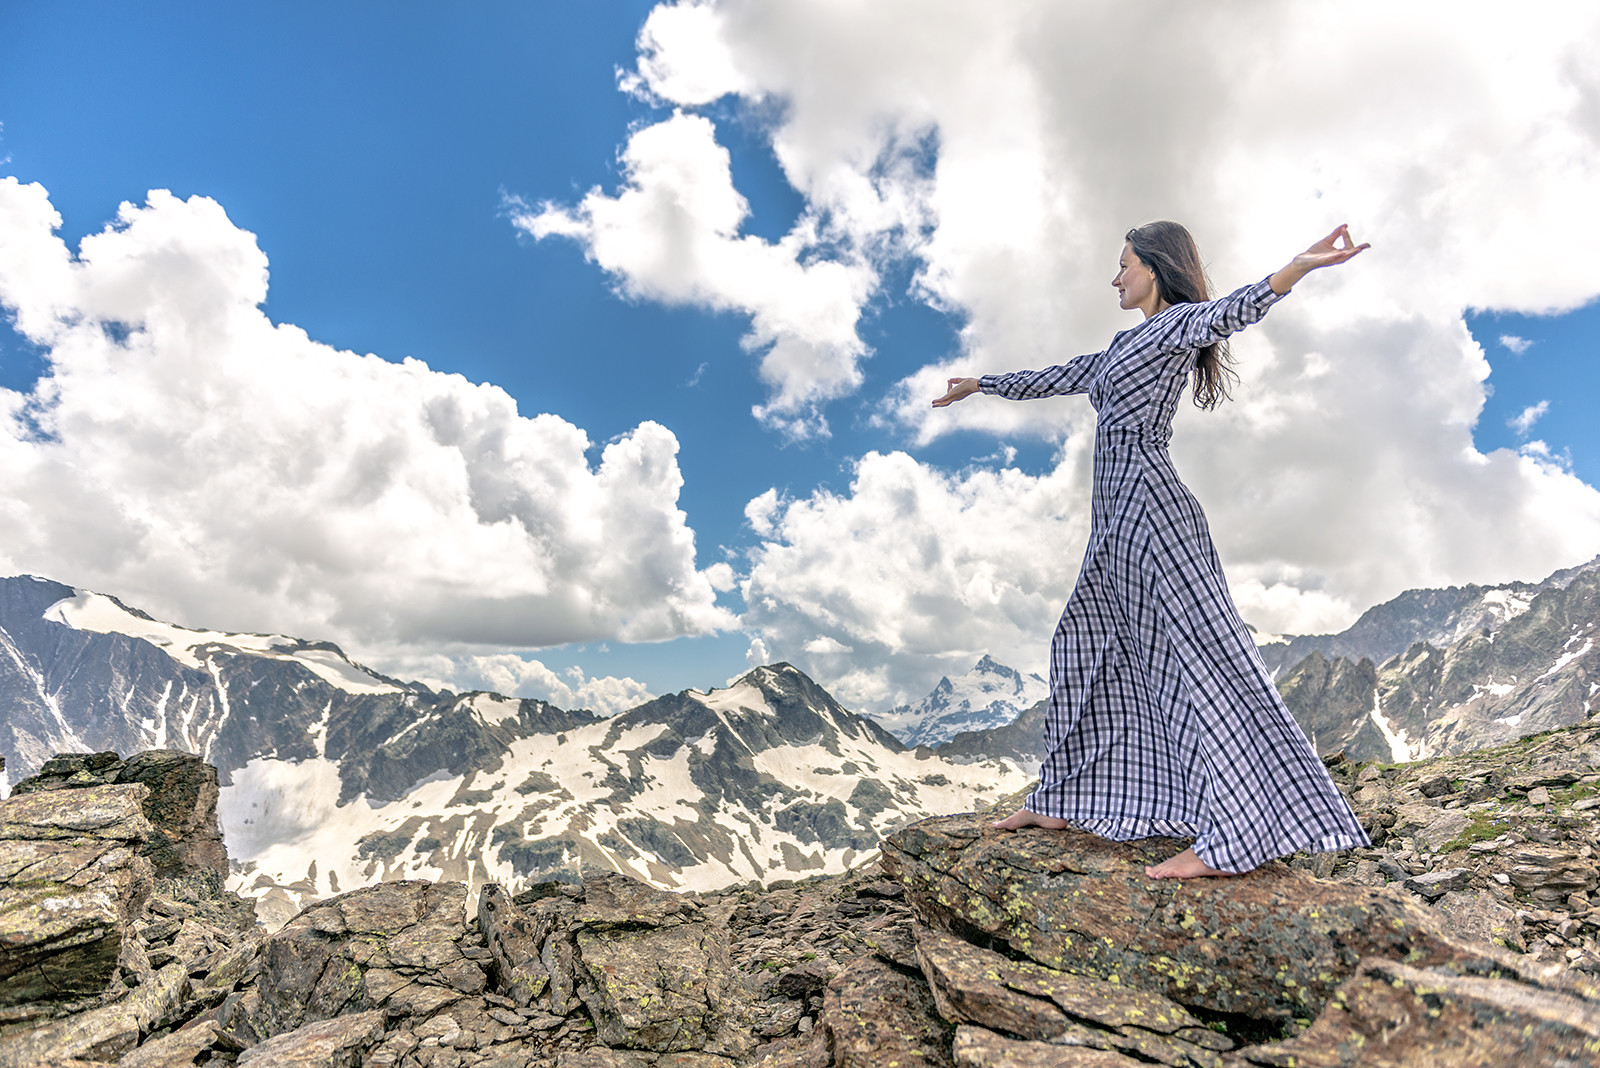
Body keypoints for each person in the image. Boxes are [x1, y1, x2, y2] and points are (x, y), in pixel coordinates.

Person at [933, 222, 1371, 879]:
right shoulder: (1121, 344)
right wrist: (984, 384)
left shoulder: (1176, 326)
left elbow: (1234, 310)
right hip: (1114, 521)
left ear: (1154, 269)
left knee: (1189, 660)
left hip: (1150, 508)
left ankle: (1231, 836)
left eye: (1124, 265)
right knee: (1081, 647)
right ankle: (1064, 797)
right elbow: (1061, 375)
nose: (1115, 278)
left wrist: (1298, 268)